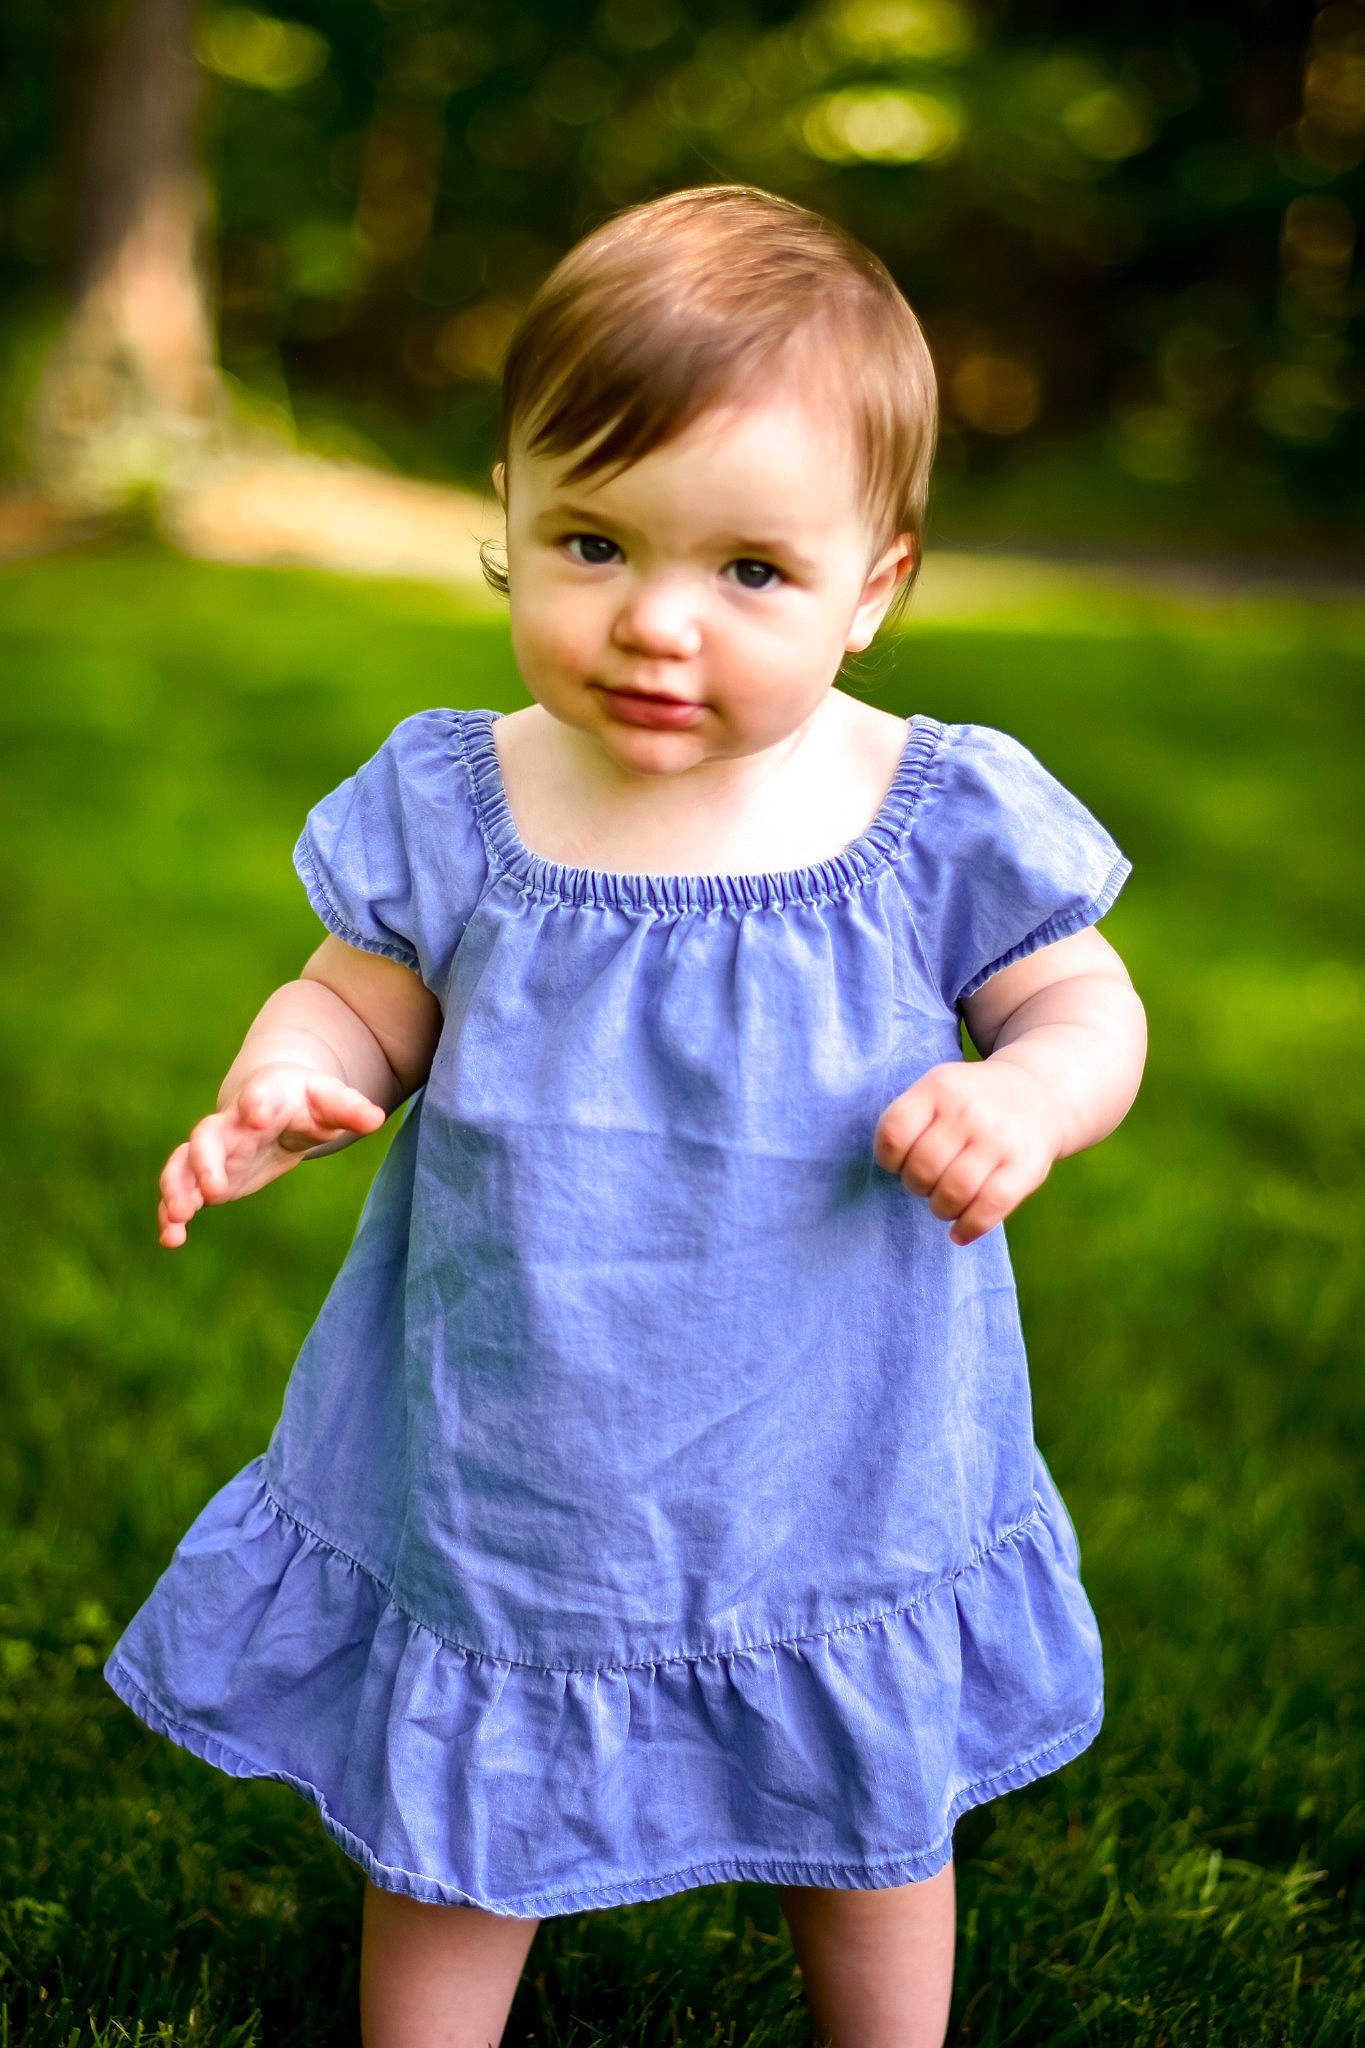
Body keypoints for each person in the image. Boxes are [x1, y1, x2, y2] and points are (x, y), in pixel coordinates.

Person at [105, 184, 1148, 2048]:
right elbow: (364, 989)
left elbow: (1081, 1000)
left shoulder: (932, 818)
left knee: (869, 1813)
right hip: (520, 1440)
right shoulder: (466, 800)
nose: (655, 624)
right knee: (458, 1821)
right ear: (502, 527)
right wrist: (297, 1066)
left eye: (750, 571)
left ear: (875, 587)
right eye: (591, 541)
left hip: (838, 1445)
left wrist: (1029, 1093)